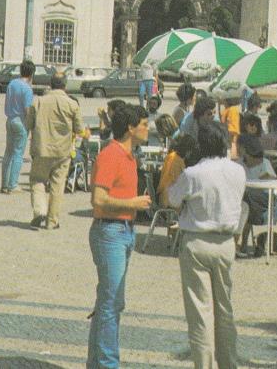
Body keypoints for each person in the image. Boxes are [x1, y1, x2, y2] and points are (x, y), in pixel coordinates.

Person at [168, 121, 246, 369]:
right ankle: (228, 363)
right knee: (225, 310)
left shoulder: (193, 174)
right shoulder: (238, 171)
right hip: (225, 243)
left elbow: (172, 199)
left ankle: (204, 365)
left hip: (197, 241)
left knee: (200, 313)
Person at [87, 104, 153, 367]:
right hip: (110, 231)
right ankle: (107, 364)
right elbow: (98, 198)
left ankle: (99, 363)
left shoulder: (129, 156)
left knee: (110, 301)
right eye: (145, 124)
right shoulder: (111, 154)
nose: (148, 129)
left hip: (124, 230)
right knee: (111, 303)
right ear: (130, 127)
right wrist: (132, 204)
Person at [25, 73, 88, 229]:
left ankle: (40, 210)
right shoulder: (72, 104)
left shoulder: (38, 101)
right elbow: (80, 129)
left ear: (50, 84)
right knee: (57, 186)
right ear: (65, 86)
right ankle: (52, 221)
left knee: (38, 180)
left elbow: (28, 124)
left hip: (41, 148)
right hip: (63, 151)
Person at [1, 60, 35, 194]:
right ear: (32, 74)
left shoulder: (12, 84)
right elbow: (27, 109)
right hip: (21, 122)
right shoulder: (27, 89)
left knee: (8, 153)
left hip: (9, 119)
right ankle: (13, 184)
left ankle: (4, 184)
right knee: (18, 153)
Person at [157, 134, 199, 207]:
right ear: (189, 150)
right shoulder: (179, 162)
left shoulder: (171, 156)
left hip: (162, 196)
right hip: (170, 202)